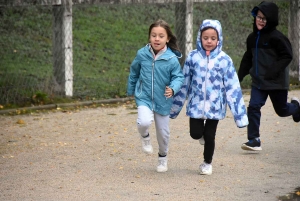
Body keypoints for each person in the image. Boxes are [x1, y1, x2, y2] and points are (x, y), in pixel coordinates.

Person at [170, 19, 248, 175]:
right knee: (196, 134)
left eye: (213, 38)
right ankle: (202, 136)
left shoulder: (224, 60)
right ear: (200, 37)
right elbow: (184, 82)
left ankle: (207, 163)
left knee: (210, 135)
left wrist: (240, 116)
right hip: (195, 105)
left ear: (219, 39)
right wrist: (173, 107)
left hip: (215, 106)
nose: (209, 41)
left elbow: (233, 87)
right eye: (206, 38)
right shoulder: (192, 57)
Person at [238, 1, 300, 151]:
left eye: (264, 18)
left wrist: (272, 71)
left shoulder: (277, 38)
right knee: (253, 106)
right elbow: (248, 59)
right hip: (258, 82)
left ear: (270, 20)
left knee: (282, 110)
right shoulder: (252, 38)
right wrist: (238, 77)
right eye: (258, 17)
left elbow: (287, 55)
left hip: (276, 82)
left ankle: (297, 108)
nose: (260, 20)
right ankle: (254, 139)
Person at [127, 19, 184, 173]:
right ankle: (145, 137)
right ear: (149, 37)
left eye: (160, 36)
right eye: (153, 35)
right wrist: (131, 89)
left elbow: (178, 77)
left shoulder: (172, 59)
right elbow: (134, 72)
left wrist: (173, 88)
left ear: (168, 39)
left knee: (163, 134)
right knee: (144, 121)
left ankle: (162, 158)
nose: (156, 39)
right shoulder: (142, 54)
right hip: (144, 96)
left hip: (163, 100)